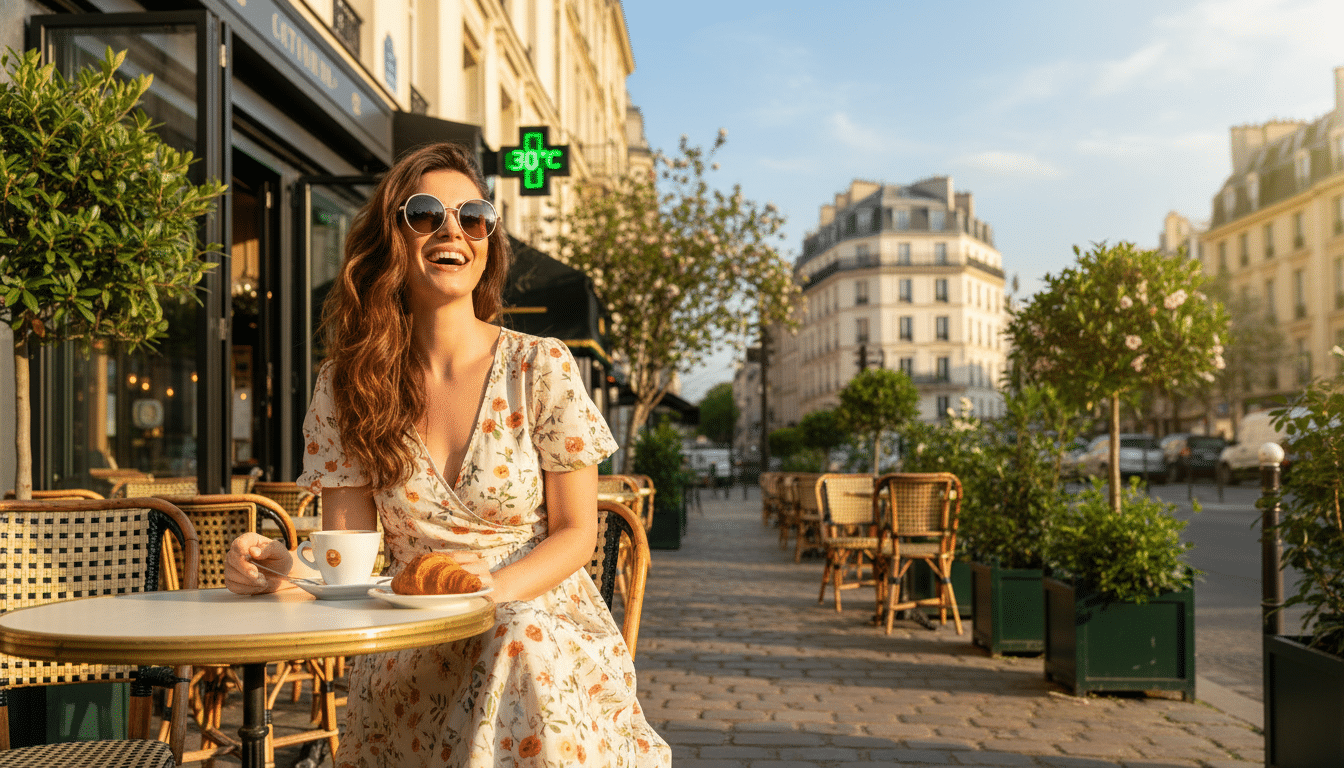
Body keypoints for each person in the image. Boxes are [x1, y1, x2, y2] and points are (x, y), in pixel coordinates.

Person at [223, 142, 671, 767]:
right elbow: (348, 567)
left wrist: (486, 593)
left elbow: (576, 533)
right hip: (413, 642)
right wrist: (279, 570)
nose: (452, 229)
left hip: (540, 625)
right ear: (391, 237)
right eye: (426, 213)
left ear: (488, 241)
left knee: (520, 642)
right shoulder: (347, 385)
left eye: (474, 216)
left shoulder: (541, 367)